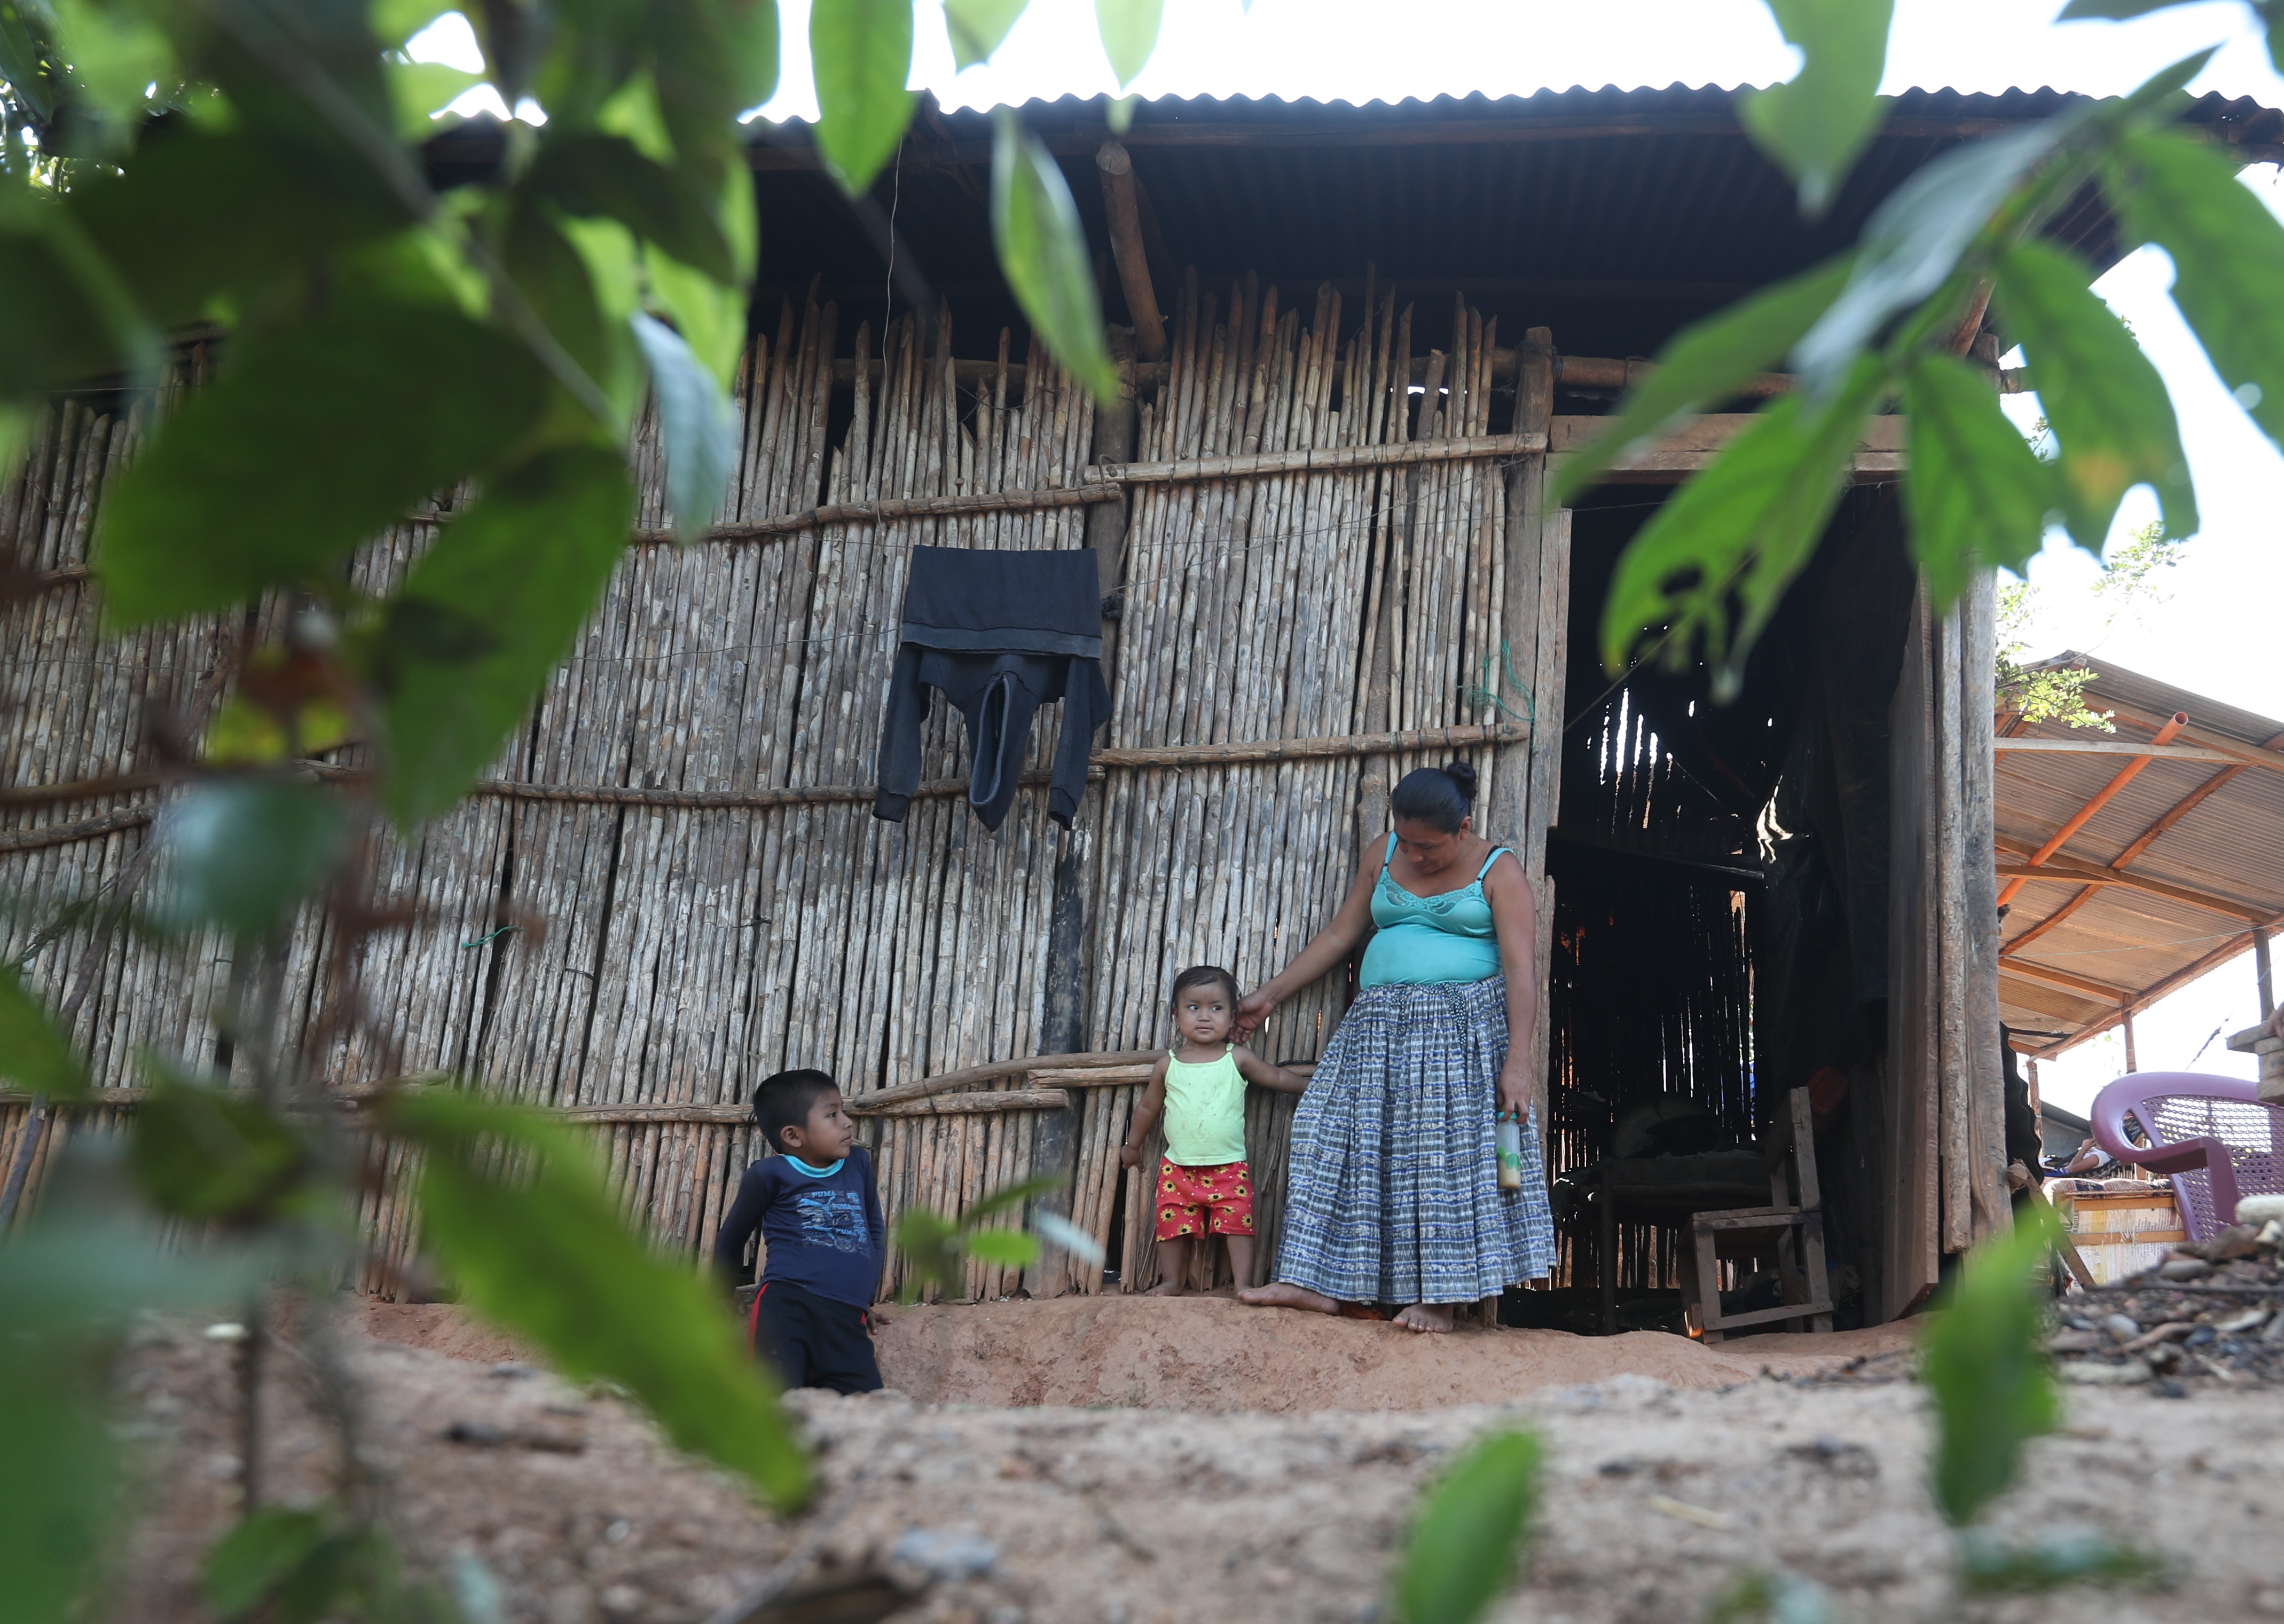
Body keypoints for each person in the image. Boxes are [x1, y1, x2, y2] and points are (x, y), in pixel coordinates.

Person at [1234, 761, 1556, 1333]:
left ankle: (1441, 1300)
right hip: (1377, 1029)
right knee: (1324, 1130)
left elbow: (1519, 970)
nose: (1412, 855)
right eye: (1403, 841)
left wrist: (1517, 1063)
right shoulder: (1386, 852)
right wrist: (1269, 995)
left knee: (1445, 1162)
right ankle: (1313, 1281)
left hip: (1462, 1031)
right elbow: (1340, 933)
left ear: (1463, 828)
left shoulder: (1497, 870)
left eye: (1426, 846)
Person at [1119, 964, 1312, 1295]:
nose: (1205, 1017)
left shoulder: (1237, 1059)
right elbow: (1148, 1108)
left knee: (1239, 1225)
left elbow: (1278, 1079)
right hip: (1177, 1166)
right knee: (1171, 1225)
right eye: (1194, 1008)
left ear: (1234, 1015)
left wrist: (1315, 1087)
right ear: (1175, 1013)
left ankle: (1244, 1285)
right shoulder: (1169, 1065)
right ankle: (1171, 1281)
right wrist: (1133, 1145)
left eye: (1217, 1008)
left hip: (1229, 1166)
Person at [711, 1068, 886, 1394]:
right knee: (776, 1402)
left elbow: (873, 1230)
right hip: (787, 1309)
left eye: (843, 1111)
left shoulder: (858, 1164)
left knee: (869, 1406)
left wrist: (864, 1301)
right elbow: (732, 1236)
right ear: (793, 1136)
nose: (848, 1122)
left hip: (847, 1321)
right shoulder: (768, 1175)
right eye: (832, 1115)